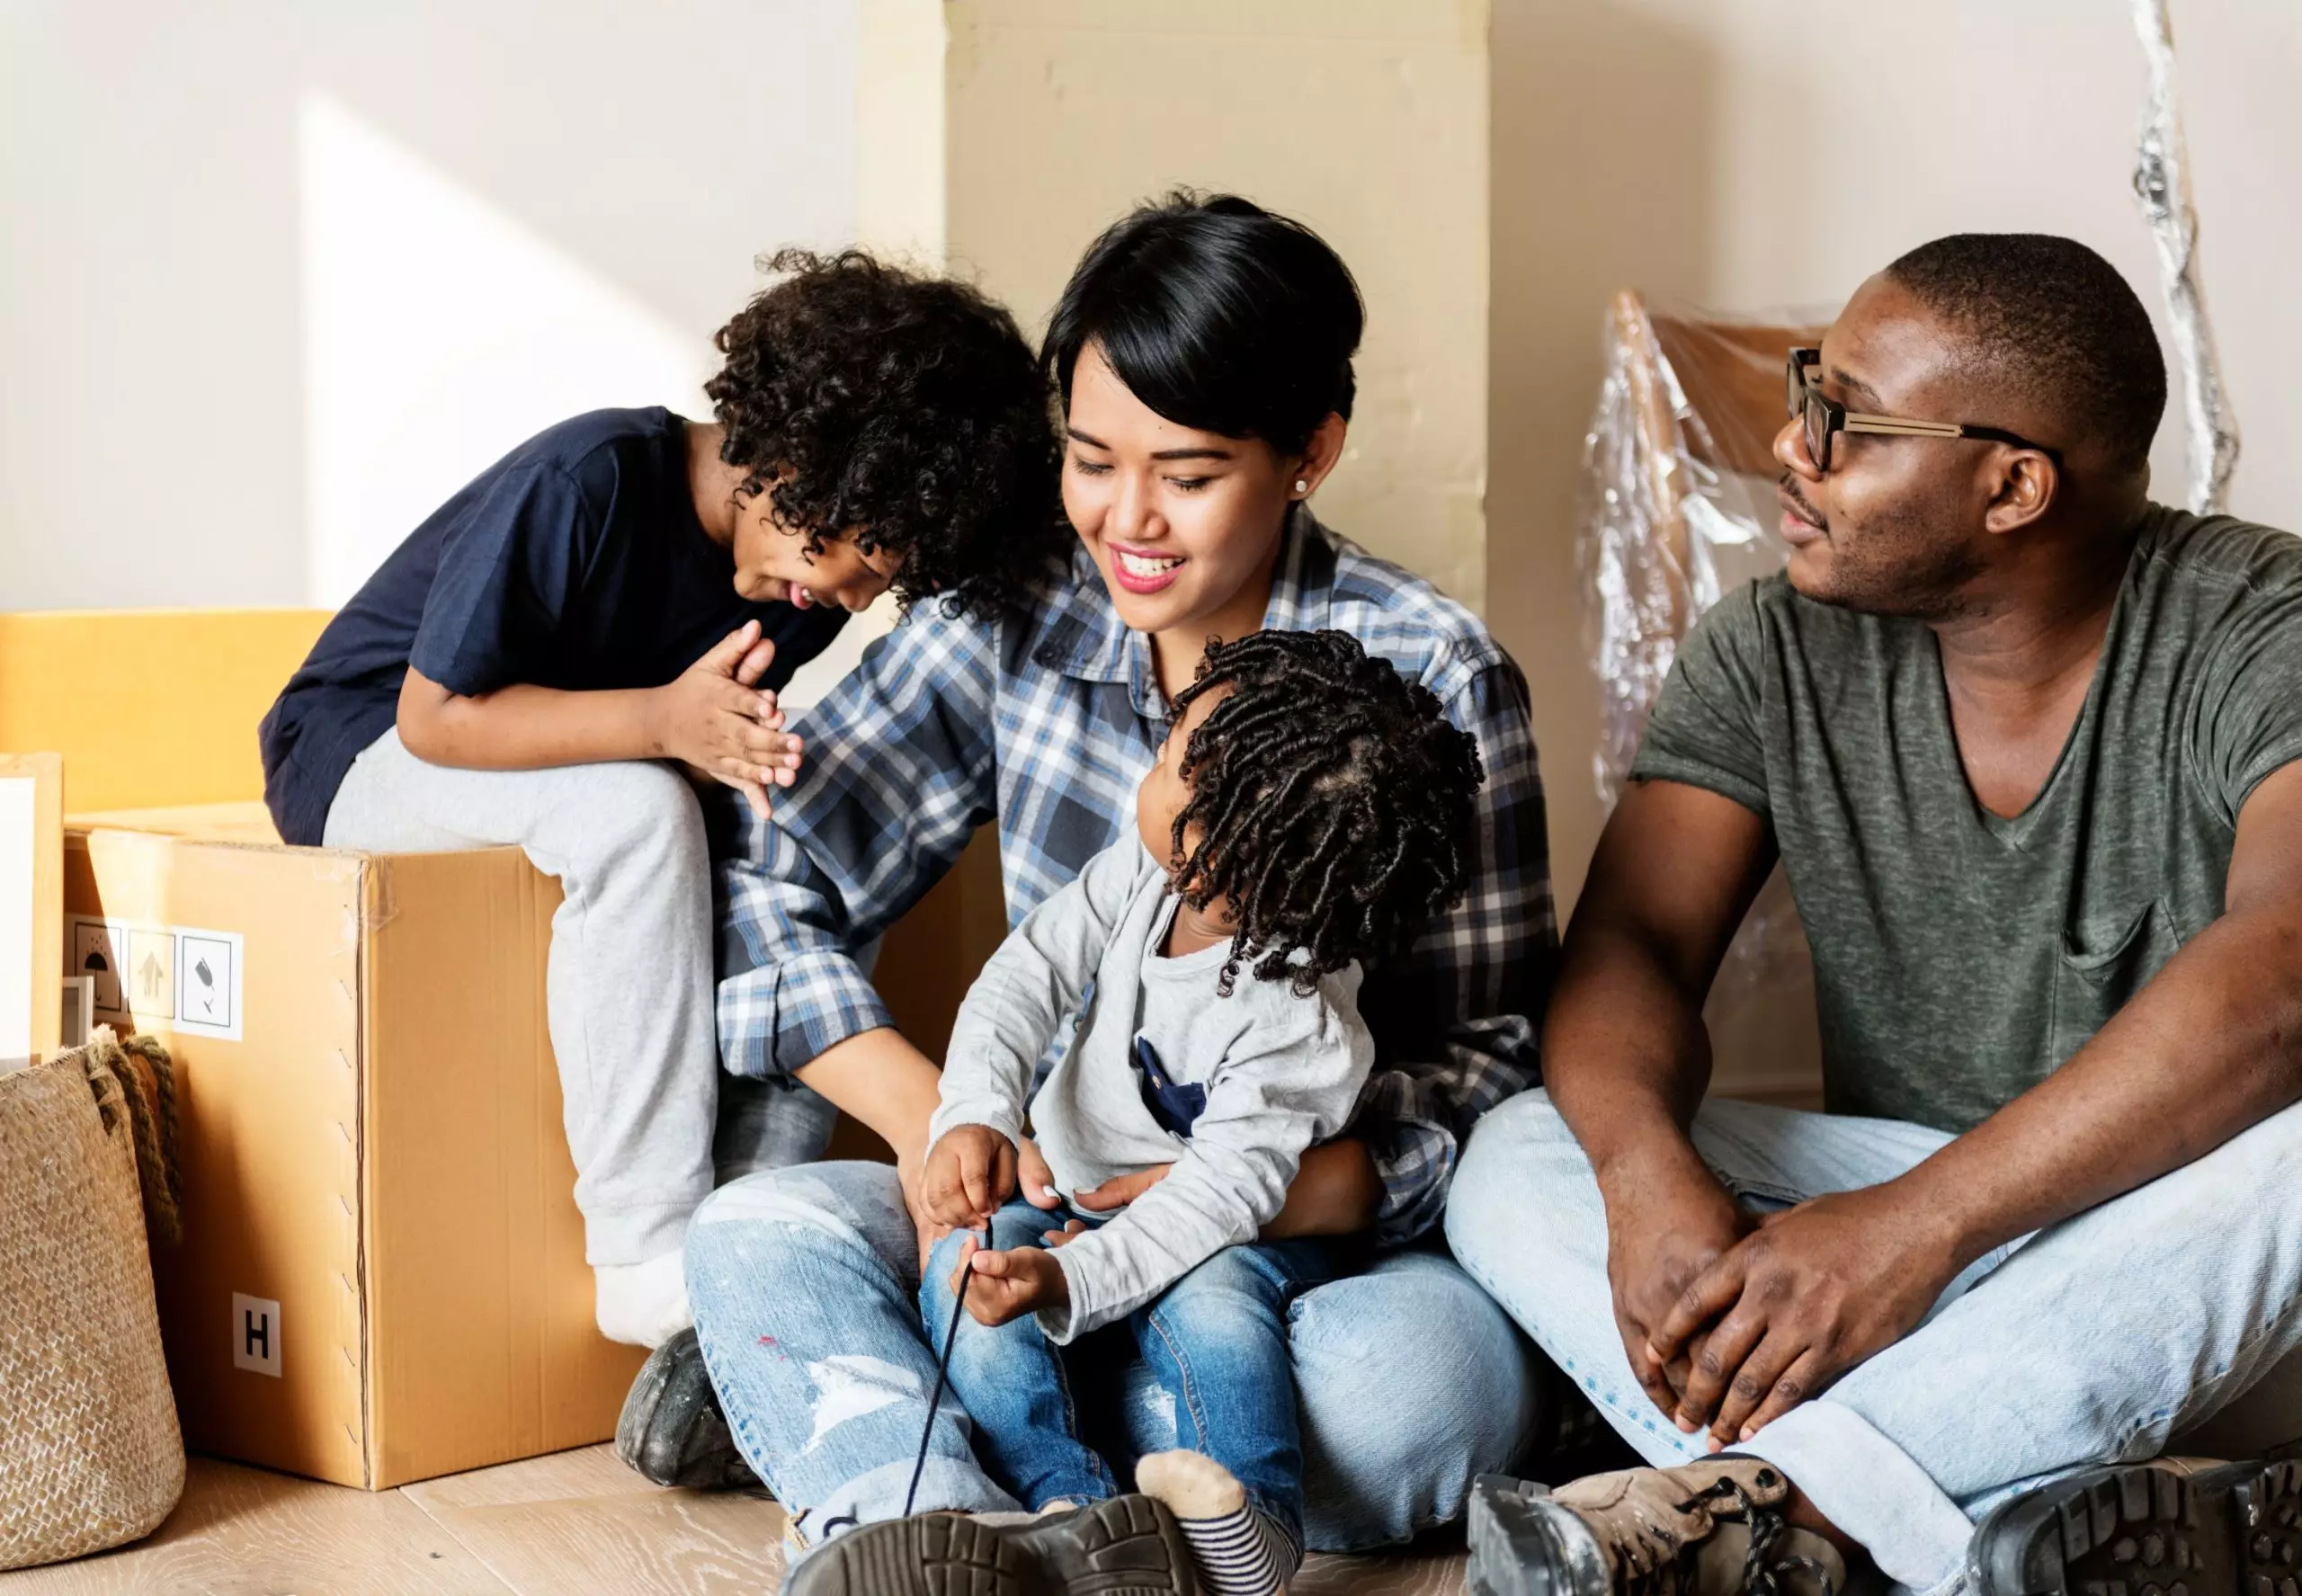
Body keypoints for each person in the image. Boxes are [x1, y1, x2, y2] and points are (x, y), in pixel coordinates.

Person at [630, 193, 1557, 1564]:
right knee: (758, 1232)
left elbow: (1491, 1056)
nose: (1129, 521)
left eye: (1186, 473)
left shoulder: (1428, 672)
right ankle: (951, 1523)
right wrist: (937, 1119)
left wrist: (1245, 1193)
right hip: (1032, 1176)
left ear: (1311, 451)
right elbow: (768, 863)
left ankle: (906, 1421)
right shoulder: (1021, 609)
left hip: (1283, 1237)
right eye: (1088, 458)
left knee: (1419, 1394)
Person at [1445, 232, 2302, 1596]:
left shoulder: (2264, 620)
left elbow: (2283, 975)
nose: (1793, 444)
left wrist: (1917, 1230)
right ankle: (1995, 1501)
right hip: (1916, 1260)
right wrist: (1643, 1177)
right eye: (1808, 388)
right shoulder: (1771, 646)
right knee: (1520, 1144)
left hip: (2176, 1244)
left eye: (1845, 418)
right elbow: (1636, 949)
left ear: (2013, 485)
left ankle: (1771, 1514)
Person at [259, 249, 1062, 1348]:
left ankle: (748, 1209)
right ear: (799, 459)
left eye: (888, 578)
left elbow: (692, 739)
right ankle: (642, 1250)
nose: (856, 596)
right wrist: (663, 731)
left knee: (802, 830)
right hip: (356, 752)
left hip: (561, 766)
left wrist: (731, 757)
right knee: (636, 814)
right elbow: (435, 715)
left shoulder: (799, 587)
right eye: (864, 554)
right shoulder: (587, 479)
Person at [807, 629, 1484, 1596]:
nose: (1151, 763)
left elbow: (1214, 1200)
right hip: (1073, 1191)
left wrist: (1067, 1277)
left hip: (1220, 1226)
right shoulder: (1144, 870)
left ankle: (1256, 1526)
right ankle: (1067, 1509)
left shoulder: (1297, 1020)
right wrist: (975, 1111)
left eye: (1171, 762)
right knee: (964, 1274)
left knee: (1209, 1309)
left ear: (1219, 851)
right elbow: (1024, 976)